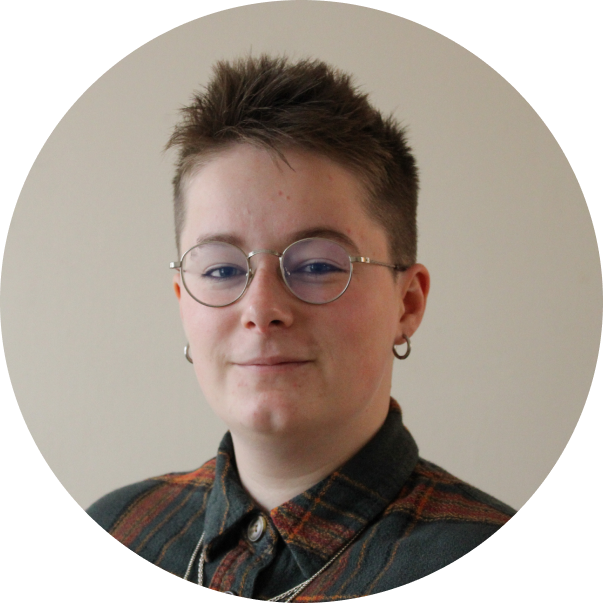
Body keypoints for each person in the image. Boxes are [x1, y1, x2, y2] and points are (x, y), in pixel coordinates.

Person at [87, 55, 515, 596]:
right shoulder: (119, 527)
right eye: (221, 270)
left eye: (316, 266)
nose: (261, 307)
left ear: (407, 304)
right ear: (183, 303)